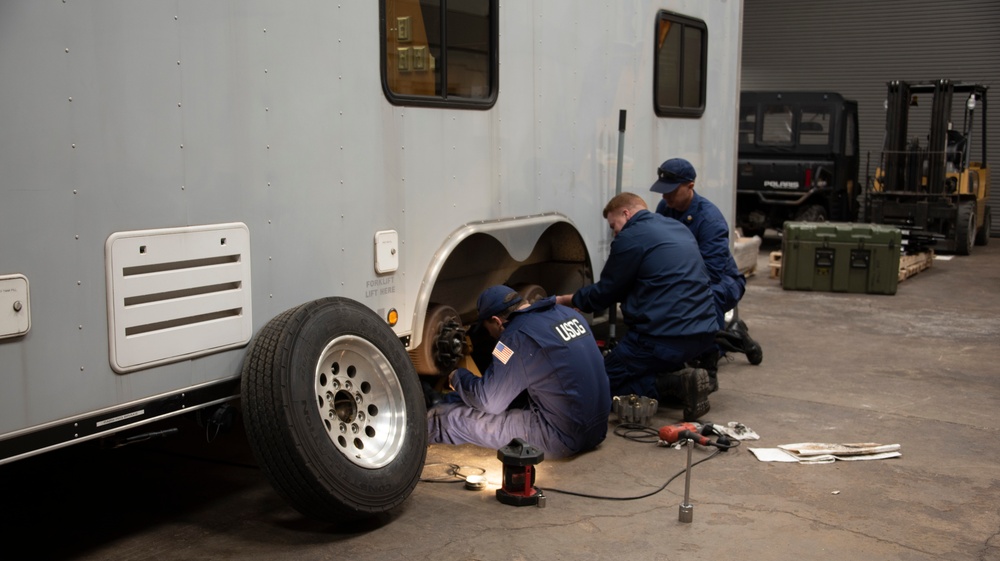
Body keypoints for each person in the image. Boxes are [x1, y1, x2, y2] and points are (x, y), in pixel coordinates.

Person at [555, 193, 718, 421]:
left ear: (626, 213)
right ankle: (678, 379)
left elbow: (606, 292)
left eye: (614, 225)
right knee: (645, 367)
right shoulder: (678, 228)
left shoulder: (631, 237)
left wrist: (564, 300)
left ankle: (676, 383)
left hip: (660, 337)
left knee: (596, 385)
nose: (614, 233)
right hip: (704, 333)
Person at [426, 285, 611, 459]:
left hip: (562, 437)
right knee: (501, 395)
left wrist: (457, 376)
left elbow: (488, 401)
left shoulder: (513, 337)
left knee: (447, 420)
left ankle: (423, 423)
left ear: (497, 321)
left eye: (488, 329)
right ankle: (440, 400)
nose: (490, 336)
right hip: (597, 429)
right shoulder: (567, 313)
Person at [651, 158, 747, 390]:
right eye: (663, 192)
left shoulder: (710, 220)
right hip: (683, 277)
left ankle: (708, 367)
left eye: (671, 191)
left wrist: (674, 289)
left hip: (722, 281)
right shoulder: (666, 209)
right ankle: (733, 338)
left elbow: (711, 272)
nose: (665, 197)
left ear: (690, 186)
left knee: (704, 300)